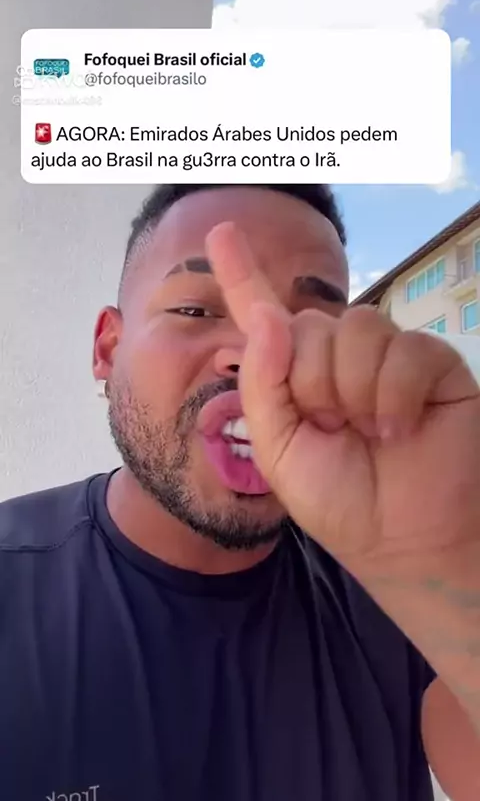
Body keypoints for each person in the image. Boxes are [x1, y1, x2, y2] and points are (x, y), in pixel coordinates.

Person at [1, 183, 479, 801]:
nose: (258, 356)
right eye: (196, 311)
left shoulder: (405, 593)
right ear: (108, 349)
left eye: (307, 325)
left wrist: (462, 549)